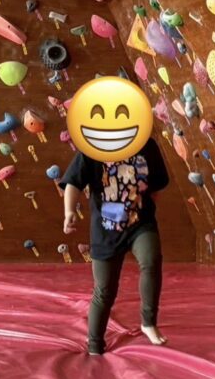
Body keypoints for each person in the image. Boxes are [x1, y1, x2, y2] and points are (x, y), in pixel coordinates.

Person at [60, 137, 170, 355]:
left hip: (140, 224)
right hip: (106, 229)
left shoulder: (146, 144)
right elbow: (73, 182)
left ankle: (148, 322)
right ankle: (94, 343)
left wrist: (142, 210)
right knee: (105, 290)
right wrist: (69, 211)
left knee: (151, 260)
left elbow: (156, 185)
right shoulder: (93, 146)